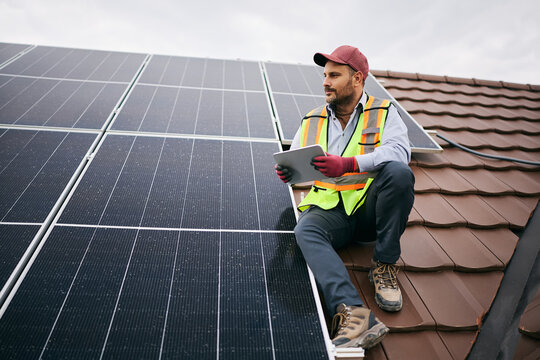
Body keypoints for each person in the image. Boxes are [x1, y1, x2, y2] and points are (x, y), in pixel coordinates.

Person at [274, 45, 415, 349]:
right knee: (304, 230)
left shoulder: (385, 112)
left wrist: (350, 164)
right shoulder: (311, 119)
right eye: (325, 75)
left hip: (368, 211)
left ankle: (385, 265)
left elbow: (400, 153)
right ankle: (353, 314)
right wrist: (290, 173)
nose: (325, 81)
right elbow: (300, 161)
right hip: (329, 212)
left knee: (399, 174)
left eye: (334, 75)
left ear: (357, 79)